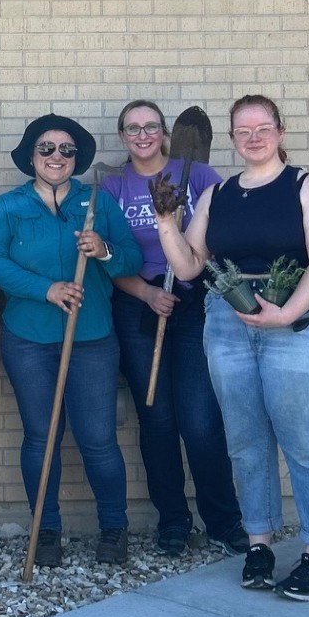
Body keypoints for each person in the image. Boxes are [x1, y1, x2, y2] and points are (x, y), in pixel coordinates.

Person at [152, 94, 309, 601]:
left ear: (280, 131)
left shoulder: (308, 187)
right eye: (243, 130)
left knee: (304, 439)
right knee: (245, 438)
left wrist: (287, 312)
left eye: (262, 127)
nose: (253, 137)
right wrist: (166, 221)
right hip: (228, 322)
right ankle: (259, 543)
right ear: (233, 139)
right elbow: (191, 266)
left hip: (296, 321)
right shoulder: (218, 194)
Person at [0, 114, 142, 566]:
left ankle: (114, 526)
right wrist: (45, 289)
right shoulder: (7, 207)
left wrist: (103, 251)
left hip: (91, 338)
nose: (57, 157)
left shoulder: (98, 204)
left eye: (66, 150)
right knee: (41, 436)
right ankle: (45, 529)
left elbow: (130, 259)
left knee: (98, 438)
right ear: (31, 156)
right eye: (47, 149)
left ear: (77, 158)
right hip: (28, 339)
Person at [101, 100, 248, 557]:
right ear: (122, 135)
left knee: (200, 421)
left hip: (194, 304)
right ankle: (173, 522)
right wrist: (145, 294)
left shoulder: (200, 177)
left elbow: (227, 240)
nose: (142, 135)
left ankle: (223, 520)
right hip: (138, 303)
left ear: (164, 132)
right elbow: (105, 256)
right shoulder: (113, 187)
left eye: (150, 126)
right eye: (132, 128)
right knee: (156, 418)